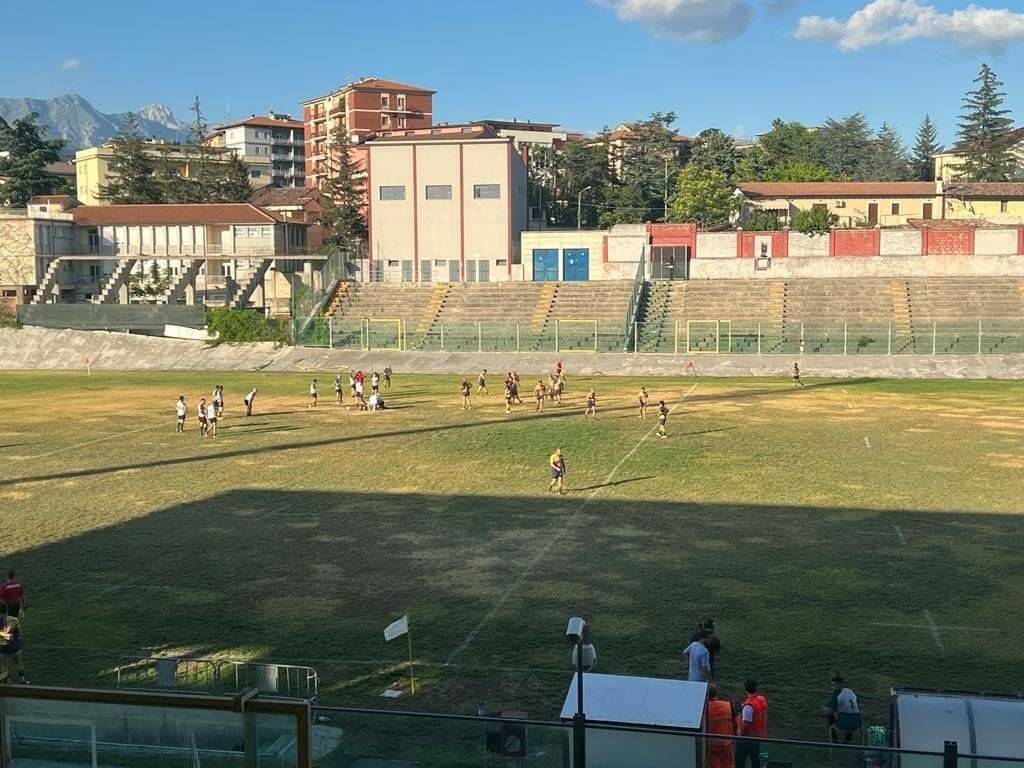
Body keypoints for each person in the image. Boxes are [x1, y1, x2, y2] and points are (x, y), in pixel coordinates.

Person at [736, 679, 768, 768]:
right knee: (756, 761)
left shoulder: (748, 706)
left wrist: (740, 735)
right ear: (756, 688)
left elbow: (746, 724)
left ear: (745, 689)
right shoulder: (762, 700)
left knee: (739, 762)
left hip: (746, 739)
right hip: (758, 737)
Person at [823, 676, 861, 744]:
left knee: (829, 715)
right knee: (850, 718)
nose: (832, 687)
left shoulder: (837, 693)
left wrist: (825, 709)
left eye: (834, 685)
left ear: (840, 685)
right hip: (857, 722)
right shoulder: (851, 691)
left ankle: (834, 738)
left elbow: (829, 711)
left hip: (843, 722)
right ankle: (846, 740)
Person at [706, 685, 736, 768]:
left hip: (712, 744)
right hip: (727, 742)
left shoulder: (704, 709)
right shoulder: (727, 705)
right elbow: (735, 723)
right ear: (716, 693)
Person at [0, 603, 28, 684]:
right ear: (7, 610)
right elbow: (19, 632)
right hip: (13, 645)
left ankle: (8, 681)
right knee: (18, 662)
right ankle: (22, 680)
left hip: (1, 645)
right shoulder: (14, 619)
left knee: (3, 665)